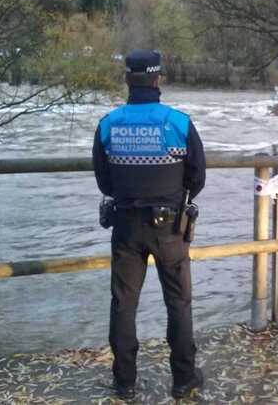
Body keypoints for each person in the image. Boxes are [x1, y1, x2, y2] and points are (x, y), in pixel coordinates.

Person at [92, 49, 206, 400]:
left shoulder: (108, 124)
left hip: (125, 226)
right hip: (170, 228)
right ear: (158, 79)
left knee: (124, 304)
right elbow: (198, 176)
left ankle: (124, 382)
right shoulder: (179, 123)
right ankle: (184, 378)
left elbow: (104, 181)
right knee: (178, 303)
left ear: (128, 78)